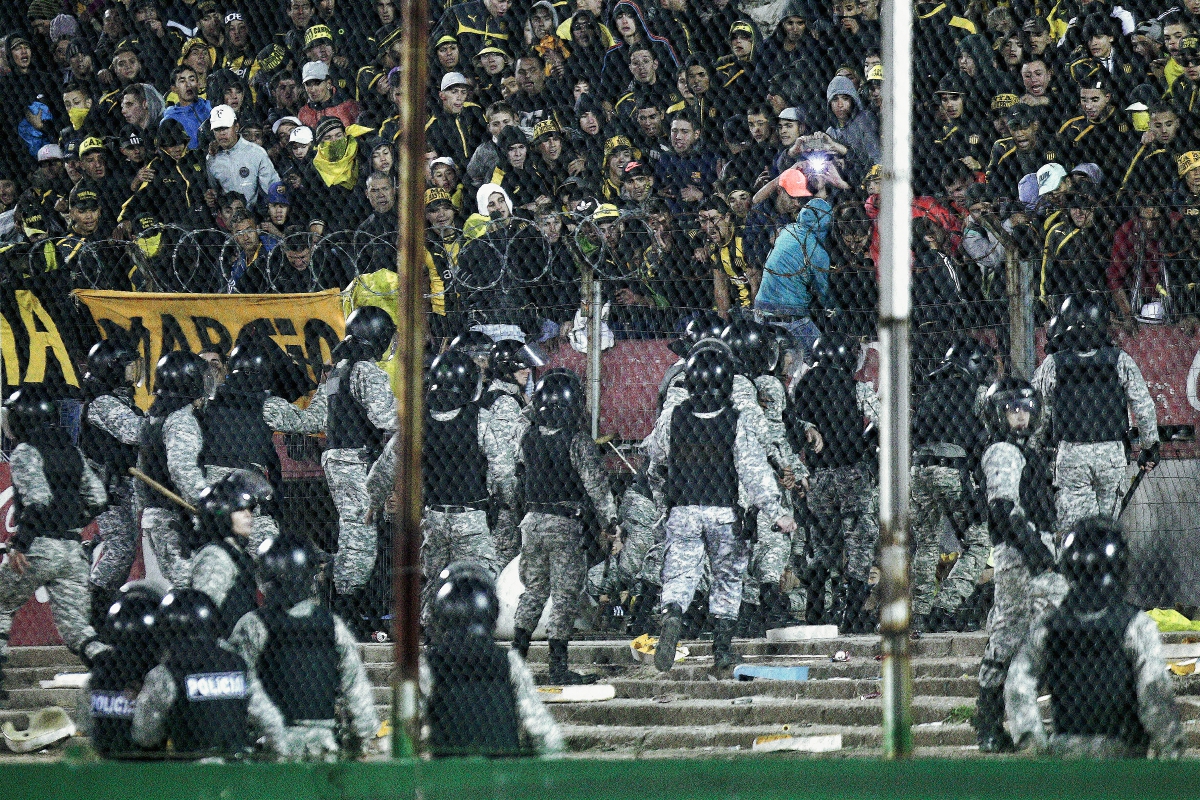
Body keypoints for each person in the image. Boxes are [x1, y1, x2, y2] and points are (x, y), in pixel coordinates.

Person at [646, 343, 796, 675]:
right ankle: (722, 651)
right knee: (727, 580)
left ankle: (672, 613)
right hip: (724, 513)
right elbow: (753, 470)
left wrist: (664, 500)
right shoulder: (735, 420)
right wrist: (776, 512)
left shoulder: (674, 417)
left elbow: (656, 457)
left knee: (681, 573)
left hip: (683, 510)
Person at [1006, 517, 1184, 759]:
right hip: (1123, 755)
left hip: (1066, 753)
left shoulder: (1049, 625)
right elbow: (1153, 688)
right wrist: (1169, 746)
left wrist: (1033, 742)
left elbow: (1018, 683)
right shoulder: (1135, 625)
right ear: (1120, 567)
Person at [275, 306, 397, 633]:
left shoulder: (338, 370)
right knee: (360, 537)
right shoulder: (365, 371)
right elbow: (387, 420)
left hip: (338, 458)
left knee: (358, 533)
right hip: (355, 459)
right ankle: (343, 613)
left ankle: (347, 606)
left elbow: (318, 418)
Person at [0, 385, 110, 700]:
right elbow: (98, 498)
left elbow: (37, 502)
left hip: (38, 545)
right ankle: (113, 669)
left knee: (2, 603)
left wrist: (20, 543)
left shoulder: (25, 450)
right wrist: (71, 519)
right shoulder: (70, 449)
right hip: (73, 549)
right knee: (79, 631)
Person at [228, 533, 379, 761]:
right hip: (323, 743)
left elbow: (238, 680)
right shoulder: (331, 624)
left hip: (272, 743)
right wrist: (363, 734)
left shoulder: (253, 624)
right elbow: (355, 684)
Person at [974, 376, 1065, 752]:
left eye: (1026, 410)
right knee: (1012, 633)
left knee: (1032, 632)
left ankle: (1004, 723)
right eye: (1012, 411)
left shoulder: (1027, 451)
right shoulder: (1003, 451)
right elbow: (1003, 506)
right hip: (1019, 554)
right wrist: (1034, 550)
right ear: (998, 415)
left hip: (1037, 547)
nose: (1021, 418)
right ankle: (990, 723)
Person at [511, 369, 618, 684]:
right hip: (563, 523)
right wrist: (610, 523)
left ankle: (517, 658)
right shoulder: (577, 440)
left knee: (534, 590)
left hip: (531, 521)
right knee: (564, 594)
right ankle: (557, 666)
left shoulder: (527, 435)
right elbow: (597, 487)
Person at [1032, 295, 1159, 530]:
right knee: (1106, 529)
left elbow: (1038, 411)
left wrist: (1035, 448)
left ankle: (1076, 561)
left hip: (1072, 453)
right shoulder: (1120, 360)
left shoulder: (1053, 364)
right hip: (1111, 452)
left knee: (1075, 531)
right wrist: (1150, 447)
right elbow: (1143, 406)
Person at [423, 562, 563, 756]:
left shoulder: (430, 663)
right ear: (492, 613)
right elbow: (545, 734)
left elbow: (405, 731)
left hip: (447, 778)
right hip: (502, 777)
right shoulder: (508, 661)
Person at [789, 333, 879, 632]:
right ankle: (851, 612)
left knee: (823, 540)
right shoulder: (856, 387)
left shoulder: (802, 386)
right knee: (859, 540)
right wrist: (866, 444)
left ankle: (816, 603)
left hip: (817, 475)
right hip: (851, 472)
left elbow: (794, 425)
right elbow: (880, 421)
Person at [909, 339, 994, 633]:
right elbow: (990, 432)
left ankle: (918, 612)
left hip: (918, 469)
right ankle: (944, 606)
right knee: (979, 541)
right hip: (952, 468)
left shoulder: (932, 390)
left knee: (927, 543)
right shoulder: (978, 392)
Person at [417, 349, 501, 616]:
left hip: (433, 516)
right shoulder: (480, 419)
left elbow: (388, 465)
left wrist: (375, 500)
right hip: (470, 514)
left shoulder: (419, 420)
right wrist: (503, 501)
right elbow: (502, 470)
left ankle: (430, 630)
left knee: (436, 581)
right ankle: (472, 632)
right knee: (482, 576)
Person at [131, 589, 254, 757]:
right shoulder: (238, 664)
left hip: (193, 773)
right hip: (240, 767)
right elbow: (262, 715)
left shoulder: (164, 673)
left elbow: (144, 736)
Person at [79, 338, 147, 626]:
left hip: (122, 484)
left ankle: (102, 607)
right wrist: (169, 419)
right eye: (129, 367)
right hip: (105, 487)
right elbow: (134, 432)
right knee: (120, 546)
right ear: (112, 369)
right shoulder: (102, 401)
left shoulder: (119, 398)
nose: (134, 372)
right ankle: (91, 611)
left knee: (125, 545)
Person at [138, 351, 210, 588]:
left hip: (157, 515)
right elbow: (182, 469)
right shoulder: (180, 420)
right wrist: (208, 504)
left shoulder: (154, 416)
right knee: (192, 588)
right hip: (175, 519)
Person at [480, 339, 546, 568]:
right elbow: (502, 459)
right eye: (521, 366)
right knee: (503, 560)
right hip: (503, 500)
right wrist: (512, 502)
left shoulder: (502, 395)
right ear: (506, 368)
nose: (527, 370)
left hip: (500, 495)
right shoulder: (506, 403)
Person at [81, 582, 164, 758]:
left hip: (107, 764)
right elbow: (148, 737)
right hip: (153, 768)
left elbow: (84, 724)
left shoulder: (99, 674)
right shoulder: (161, 674)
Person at [184, 471, 270, 638]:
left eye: (249, 509)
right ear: (222, 514)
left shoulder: (238, 553)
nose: (248, 515)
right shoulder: (216, 556)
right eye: (239, 509)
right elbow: (202, 617)